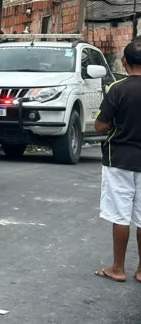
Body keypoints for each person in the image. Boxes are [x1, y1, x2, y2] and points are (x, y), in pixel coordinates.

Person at [94, 38, 141, 283]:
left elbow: (100, 125)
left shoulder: (118, 88)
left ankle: (118, 268)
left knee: (120, 216)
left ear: (124, 61)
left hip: (119, 158)